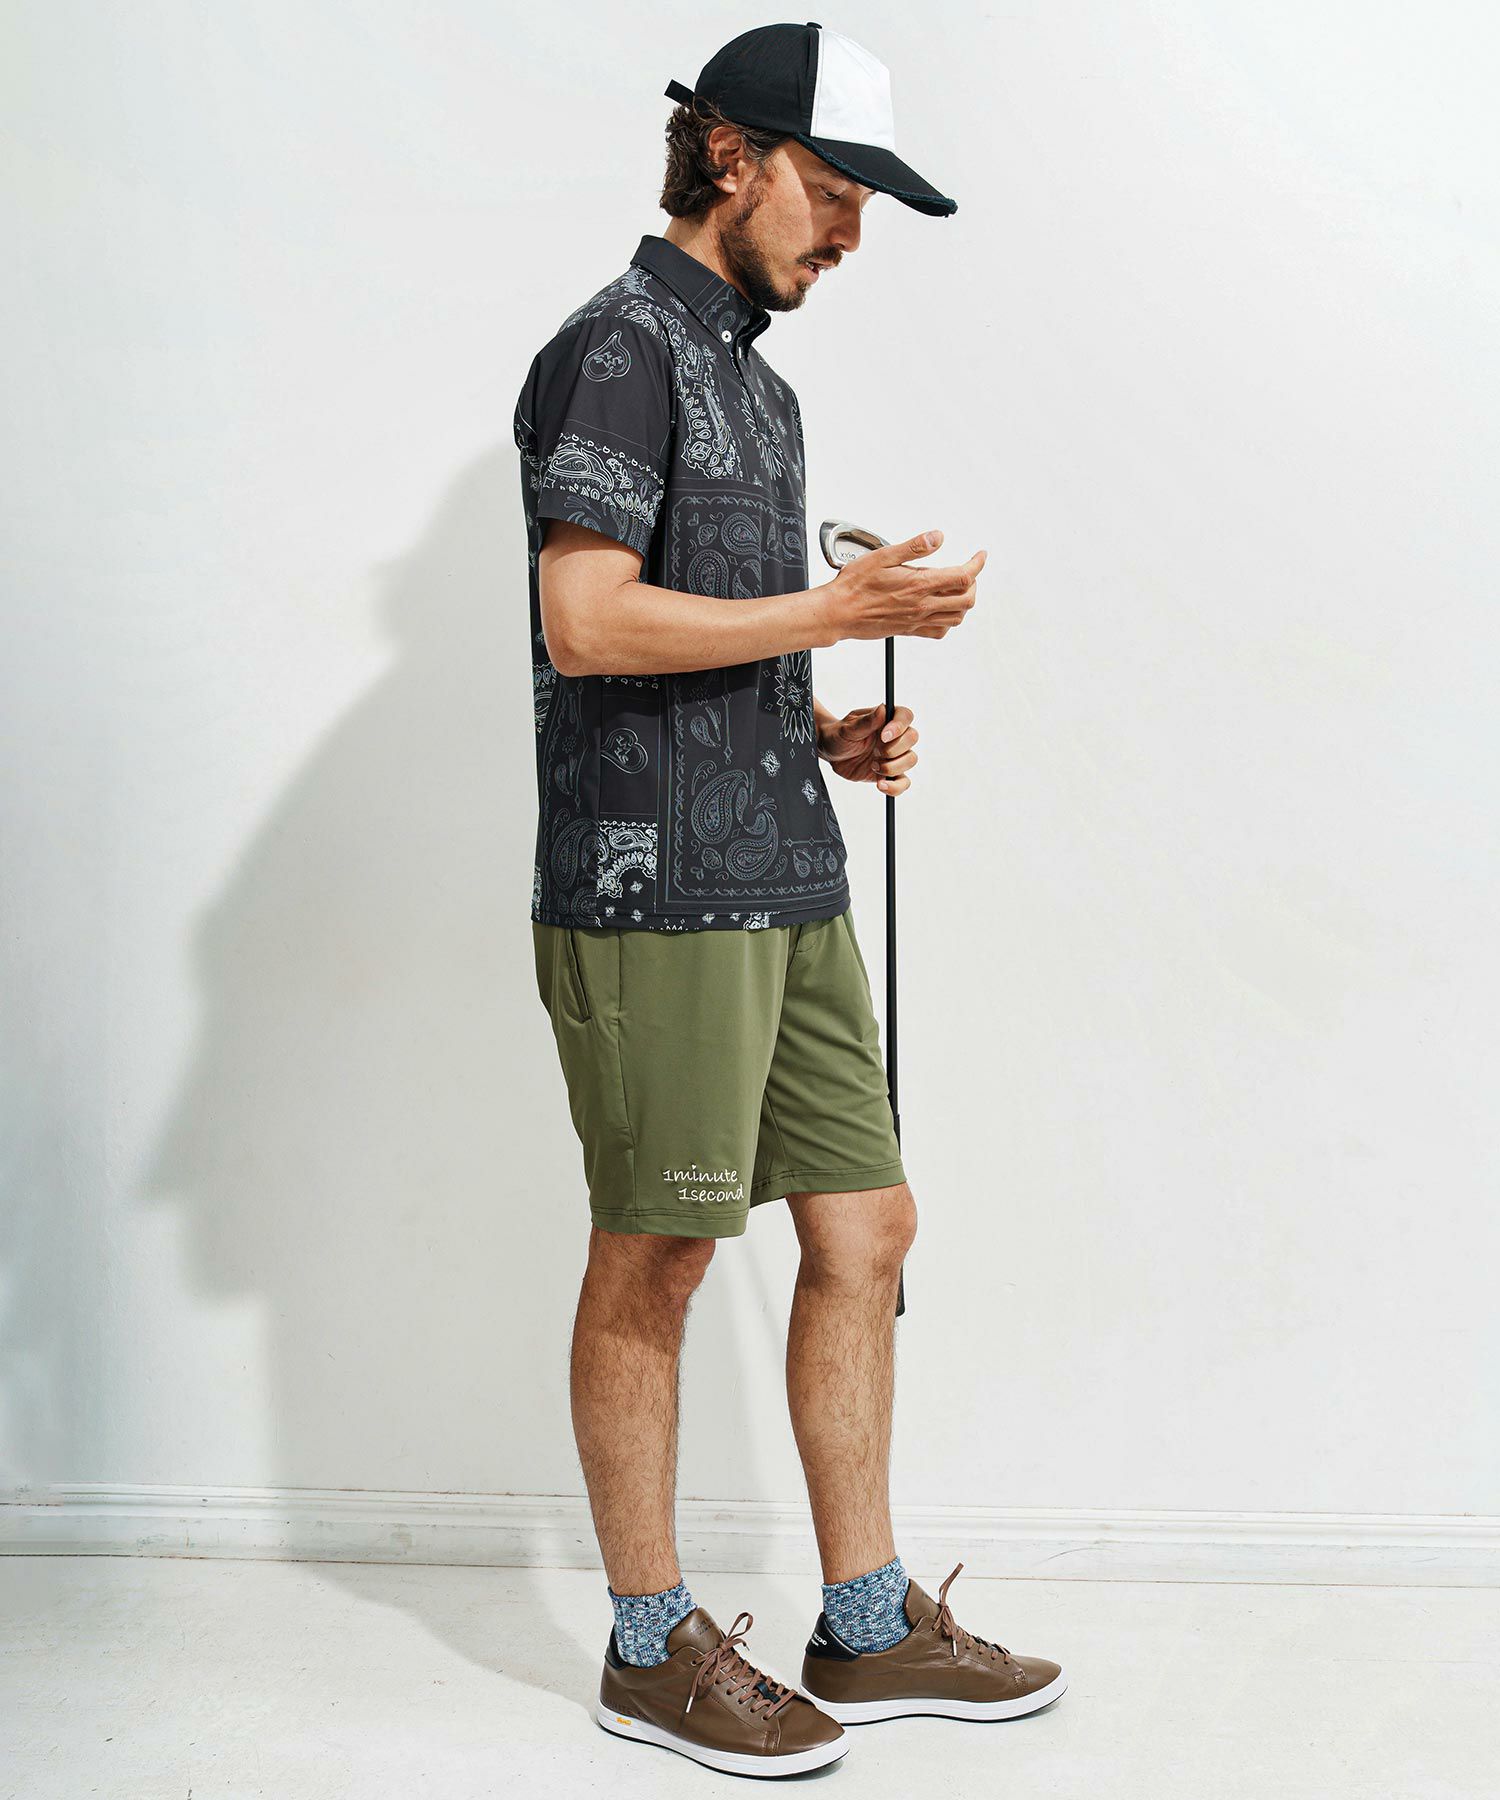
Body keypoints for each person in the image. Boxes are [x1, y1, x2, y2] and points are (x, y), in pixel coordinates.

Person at [513, 21, 1065, 1777]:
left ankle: (868, 1617)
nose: (849, 232)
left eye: (869, 204)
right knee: (660, 1251)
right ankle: (648, 1646)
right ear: (728, 156)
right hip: (650, 897)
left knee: (868, 1230)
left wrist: (822, 724)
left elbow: (702, 642)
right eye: (833, 190)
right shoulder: (615, 351)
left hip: (784, 880)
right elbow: (587, 621)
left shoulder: (761, 384)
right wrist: (834, 615)